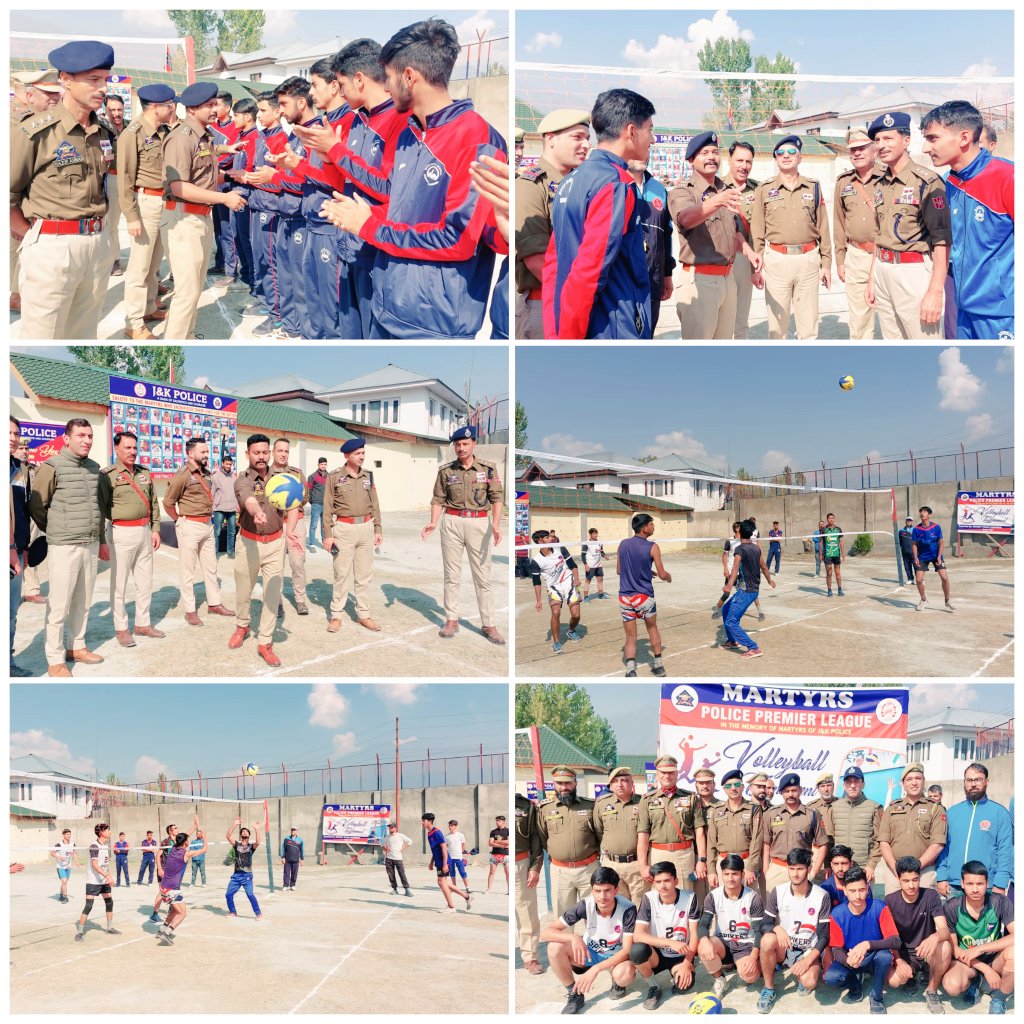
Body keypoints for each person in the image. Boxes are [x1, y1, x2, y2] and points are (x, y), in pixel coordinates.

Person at [320, 19, 507, 340]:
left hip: (433, 320)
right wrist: (358, 215)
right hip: (389, 299)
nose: (386, 87)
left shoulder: (476, 139)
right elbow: (398, 205)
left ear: (410, 77)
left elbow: (457, 239)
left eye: (389, 78)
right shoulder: (410, 134)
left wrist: (368, 225)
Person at [11, 41, 117, 339]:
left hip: (97, 244)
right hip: (53, 248)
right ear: (66, 80)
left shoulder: (103, 133)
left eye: (106, 79)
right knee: (42, 340)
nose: (103, 88)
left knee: (84, 337)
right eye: (93, 80)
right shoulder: (36, 132)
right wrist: (31, 234)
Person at [544, 88, 655, 339]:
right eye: (650, 129)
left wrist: (556, 331)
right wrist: (568, 338)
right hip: (610, 324)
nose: (653, 138)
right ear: (631, 131)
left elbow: (554, 264)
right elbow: (589, 270)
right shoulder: (615, 183)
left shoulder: (571, 180)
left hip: (574, 321)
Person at [922, 101, 1015, 341]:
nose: (925, 148)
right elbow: (946, 242)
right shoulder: (949, 183)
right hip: (962, 308)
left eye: (933, 138)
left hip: (1003, 314)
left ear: (964, 137)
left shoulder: (1008, 178)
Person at [162, 81, 247, 339]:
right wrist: (224, 199)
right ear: (192, 108)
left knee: (194, 289)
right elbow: (180, 187)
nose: (215, 109)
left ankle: (186, 336)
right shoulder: (181, 138)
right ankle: (175, 345)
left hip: (199, 217)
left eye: (216, 104)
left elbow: (206, 177)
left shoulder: (204, 137)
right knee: (186, 293)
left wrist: (232, 176)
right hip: (183, 217)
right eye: (210, 105)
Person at [28, 418, 105, 676]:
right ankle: (55, 659)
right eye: (81, 435)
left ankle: (77, 646)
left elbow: (100, 506)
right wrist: (57, 530)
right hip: (64, 546)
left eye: (90, 435)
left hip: (90, 544)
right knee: (59, 605)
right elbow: (38, 506)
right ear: (67, 438)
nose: (87, 440)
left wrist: (100, 539)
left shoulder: (95, 469)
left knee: (83, 602)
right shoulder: (52, 466)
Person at [864, 111, 950, 339]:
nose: (881, 145)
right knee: (893, 343)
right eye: (878, 140)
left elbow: (942, 240)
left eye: (888, 139)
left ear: (906, 140)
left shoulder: (927, 182)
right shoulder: (880, 184)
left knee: (924, 344)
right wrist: (873, 278)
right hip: (883, 271)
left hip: (912, 273)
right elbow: (879, 233)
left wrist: (935, 291)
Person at [669, 130, 762, 338]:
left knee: (723, 348)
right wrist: (717, 201)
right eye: (704, 153)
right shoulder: (683, 192)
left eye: (714, 152)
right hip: (700, 280)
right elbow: (686, 218)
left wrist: (748, 251)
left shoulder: (724, 190)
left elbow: (735, 230)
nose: (711, 157)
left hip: (727, 280)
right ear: (691, 160)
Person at [422, 425, 504, 644]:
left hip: (479, 523)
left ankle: (489, 624)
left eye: (465, 444)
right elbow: (438, 499)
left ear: (474, 444)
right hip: (452, 522)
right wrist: (433, 522)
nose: (461, 448)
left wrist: (496, 525)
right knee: (451, 575)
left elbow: (497, 498)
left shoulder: (488, 469)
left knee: (483, 577)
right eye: (457, 444)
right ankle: (451, 619)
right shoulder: (446, 470)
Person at [514, 108, 590, 338]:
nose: (586, 145)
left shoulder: (580, 185)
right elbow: (538, 261)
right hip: (545, 301)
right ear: (551, 139)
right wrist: (578, 296)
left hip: (577, 300)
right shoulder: (531, 185)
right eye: (577, 137)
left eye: (588, 138)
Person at [230, 433, 303, 667]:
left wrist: (290, 530)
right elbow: (248, 499)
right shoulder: (242, 479)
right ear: (247, 454)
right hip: (249, 543)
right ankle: (242, 625)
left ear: (269, 453)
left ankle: (265, 642)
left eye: (264, 452)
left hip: (275, 543)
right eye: (256, 453)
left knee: (271, 595)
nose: (261, 457)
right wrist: (255, 512)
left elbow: (293, 504)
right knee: (243, 593)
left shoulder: (282, 478)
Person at [750, 135, 832, 339]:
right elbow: (757, 230)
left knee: (809, 327)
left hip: (808, 261)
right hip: (777, 261)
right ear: (775, 159)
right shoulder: (764, 189)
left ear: (800, 157)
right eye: (780, 153)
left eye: (792, 152)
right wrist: (756, 267)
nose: (786, 156)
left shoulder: (813, 186)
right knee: (777, 327)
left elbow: (823, 226)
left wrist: (827, 265)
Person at [117, 83, 176, 340]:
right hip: (145, 204)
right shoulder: (133, 133)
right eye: (168, 105)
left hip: (163, 203)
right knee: (139, 268)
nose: (172, 108)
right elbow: (125, 179)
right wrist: (131, 216)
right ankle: (133, 323)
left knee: (153, 263)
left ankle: (150, 307)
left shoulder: (162, 130)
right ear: (155, 107)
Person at [540, 865, 637, 1015]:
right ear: (592, 890)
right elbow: (546, 933)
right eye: (597, 891)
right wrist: (572, 937)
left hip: (615, 956)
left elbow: (626, 950)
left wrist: (595, 970)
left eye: (607, 890)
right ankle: (574, 994)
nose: (602, 896)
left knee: (625, 974)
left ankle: (617, 983)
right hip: (590, 952)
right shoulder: (586, 905)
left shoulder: (628, 909)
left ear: (616, 890)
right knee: (554, 947)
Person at [98, 430, 165, 647]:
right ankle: (121, 628)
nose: (132, 452)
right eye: (127, 447)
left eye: (135, 448)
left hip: (144, 531)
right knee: (119, 584)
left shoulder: (144, 473)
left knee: (145, 582)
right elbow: (100, 509)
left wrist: (155, 529)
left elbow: (154, 502)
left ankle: (143, 624)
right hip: (120, 533)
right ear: (116, 449)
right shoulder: (107, 475)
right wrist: (101, 540)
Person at [162, 437, 234, 626]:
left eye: (206, 451)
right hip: (190, 526)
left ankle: (214, 603)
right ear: (190, 453)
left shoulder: (207, 474)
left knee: (211, 568)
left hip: (207, 526)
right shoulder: (183, 474)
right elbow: (168, 503)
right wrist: (179, 521)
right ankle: (190, 610)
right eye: (202, 452)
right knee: (188, 570)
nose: (206, 454)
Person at [758, 848, 831, 1012]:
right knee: (767, 939)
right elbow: (764, 924)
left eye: (800, 869)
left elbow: (824, 936)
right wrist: (777, 928)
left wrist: (807, 961)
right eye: (792, 869)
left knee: (809, 981)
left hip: (807, 950)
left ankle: (802, 970)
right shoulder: (779, 891)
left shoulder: (821, 895)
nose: (795, 874)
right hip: (785, 948)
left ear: (809, 868)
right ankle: (768, 989)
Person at [323, 438, 382, 634]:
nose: (361, 457)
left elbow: (375, 504)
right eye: (357, 453)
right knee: (341, 574)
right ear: (347, 456)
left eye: (363, 453)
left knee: (364, 575)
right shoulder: (334, 477)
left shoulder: (369, 476)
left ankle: (363, 614)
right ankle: (336, 615)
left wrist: (378, 529)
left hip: (365, 528)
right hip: (344, 530)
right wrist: (328, 535)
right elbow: (327, 508)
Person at [824, 866, 900, 1013]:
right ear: (844, 891)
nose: (858, 896)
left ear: (867, 888)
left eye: (861, 890)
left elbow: (895, 941)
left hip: (874, 957)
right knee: (831, 978)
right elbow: (836, 948)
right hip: (851, 957)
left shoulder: (879, 907)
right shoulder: (837, 914)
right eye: (852, 891)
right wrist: (848, 961)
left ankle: (877, 997)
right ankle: (855, 982)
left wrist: (867, 944)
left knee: (884, 956)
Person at [942, 860, 1015, 1013]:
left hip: (995, 959)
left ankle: (999, 998)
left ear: (987, 883)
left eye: (980, 884)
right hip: (967, 961)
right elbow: (954, 949)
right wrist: (984, 969)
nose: (975, 889)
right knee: (951, 985)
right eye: (969, 884)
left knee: (1016, 953)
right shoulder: (951, 907)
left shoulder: (999, 901)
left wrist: (981, 948)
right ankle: (977, 980)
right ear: (962, 884)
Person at [884, 855, 953, 1013]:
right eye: (906, 881)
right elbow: (888, 937)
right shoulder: (889, 901)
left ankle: (932, 990)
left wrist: (934, 937)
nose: (911, 885)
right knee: (894, 982)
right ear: (898, 879)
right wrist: (899, 961)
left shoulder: (931, 895)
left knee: (945, 946)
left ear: (920, 878)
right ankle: (914, 974)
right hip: (904, 952)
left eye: (915, 880)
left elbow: (944, 929)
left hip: (926, 949)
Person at [833, 128, 883, 339]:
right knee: (859, 323)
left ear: (875, 151)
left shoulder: (888, 178)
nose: (857, 153)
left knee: (895, 318)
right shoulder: (843, 182)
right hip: (857, 256)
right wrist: (841, 259)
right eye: (853, 150)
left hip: (886, 257)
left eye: (862, 148)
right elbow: (839, 222)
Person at [631, 860, 700, 1009]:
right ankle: (654, 987)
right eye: (658, 882)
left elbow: (694, 935)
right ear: (654, 883)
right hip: (658, 954)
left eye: (667, 880)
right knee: (637, 950)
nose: (663, 886)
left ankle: (677, 972)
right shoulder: (649, 898)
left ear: (676, 881)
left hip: (680, 956)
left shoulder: (690, 898)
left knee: (683, 986)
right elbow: (637, 935)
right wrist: (669, 942)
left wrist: (687, 964)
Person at [937, 763, 1013, 898]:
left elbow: (1005, 851)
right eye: (969, 780)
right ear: (964, 782)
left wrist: (1000, 883)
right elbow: (943, 848)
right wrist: (941, 877)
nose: (973, 784)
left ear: (986, 782)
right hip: (955, 886)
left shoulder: (999, 813)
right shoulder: (952, 812)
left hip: (987, 887)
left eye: (978, 779)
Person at [637, 754, 708, 895]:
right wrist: (643, 865)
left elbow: (699, 832)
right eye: (663, 772)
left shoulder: (691, 798)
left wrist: (701, 860)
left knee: (685, 894)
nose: (667, 776)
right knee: (660, 895)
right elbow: (643, 836)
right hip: (658, 853)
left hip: (684, 854)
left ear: (676, 774)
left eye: (670, 772)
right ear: (657, 774)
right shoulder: (647, 800)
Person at [698, 854, 765, 1002]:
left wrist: (754, 957)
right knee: (703, 945)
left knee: (750, 976)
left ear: (742, 874)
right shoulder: (713, 895)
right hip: (723, 943)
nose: (730, 878)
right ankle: (720, 980)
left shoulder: (753, 897)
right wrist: (704, 940)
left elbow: (759, 930)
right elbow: (703, 924)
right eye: (726, 874)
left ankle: (746, 965)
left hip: (745, 945)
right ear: (722, 874)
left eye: (734, 874)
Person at [536, 765, 599, 916]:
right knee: (562, 916)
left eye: (567, 783)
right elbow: (543, 837)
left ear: (575, 783)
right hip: (560, 871)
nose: (564, 787)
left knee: (593, 913)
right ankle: (565, 941)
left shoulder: (591, 806)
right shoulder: (544, 809)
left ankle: (592, 940)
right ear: (554, 785)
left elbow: (600, 833)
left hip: (588, 869)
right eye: (560, 783)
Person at [877, 762, 947, 895]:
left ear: (923, 781)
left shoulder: (935, 808)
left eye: (918, 778)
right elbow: (884, 842)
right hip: (894, 873)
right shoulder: (892, 808)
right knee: (893, 912)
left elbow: (937, 845)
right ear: (903, 784)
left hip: (923, 872)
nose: (914, 783)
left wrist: (916, 867)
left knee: (924, 912)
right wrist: (895, 868)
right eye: (909, 779)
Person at [617, 513, 671, 677]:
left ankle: (631, 670)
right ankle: (658, 666)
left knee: (630, 636)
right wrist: (667, 576)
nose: (653, 527)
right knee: (652, 628)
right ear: (644, 527)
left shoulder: (623, 544)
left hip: (625, 597)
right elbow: (662, 574)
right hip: (644, 597)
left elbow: (620, 570)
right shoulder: (652, 547)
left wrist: (648, 571)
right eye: (651, 524)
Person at [629, 155, 675, 332]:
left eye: (645, 150)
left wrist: (667, 274)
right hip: (625, 284)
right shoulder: (615, 183)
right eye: (636, 150)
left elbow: (666, 234)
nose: (641, 155)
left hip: (653, 281)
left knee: (648, 334)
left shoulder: (659, 189)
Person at [762, 773, 828, 891]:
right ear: (781, 792)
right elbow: (766, 844)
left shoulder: (812, 814)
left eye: (794, 790)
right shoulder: (771, 814)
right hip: (777, 870)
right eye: (786, 791)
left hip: (802, 870)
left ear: (800, 790)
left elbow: (823, 844)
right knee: (774, 908)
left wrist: (813, 872)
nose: (790, 794)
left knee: (801, 907)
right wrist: (767, 871)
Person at [722, 141, 761, 338]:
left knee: (741, 317)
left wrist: (757, 268)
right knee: (721, 316)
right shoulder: (716, 187)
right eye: (739, 160)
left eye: (748, 161)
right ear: (729, 161)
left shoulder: (758, 190)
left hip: (746, 259)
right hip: (722, 259)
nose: (744, 166)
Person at [721, 518, 776, 659]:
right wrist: (770, 580)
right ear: (751, 533)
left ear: (740, 532)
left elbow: (734, 570)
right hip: (751, 590)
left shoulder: (740, 549)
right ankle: (732, 641)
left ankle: (753, 647)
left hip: (746, 591)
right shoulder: (756, 548)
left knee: (731, 622)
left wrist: (728, 585)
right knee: (725, 609)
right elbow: (764, 567)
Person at [594, 765, 649, 905]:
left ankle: (639, 928)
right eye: (615, 781)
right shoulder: (601, 804)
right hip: (612, 864)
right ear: (611, 785)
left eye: (624, 780)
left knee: (641, 905)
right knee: (618, 906)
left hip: (637, 865)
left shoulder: (643, 802)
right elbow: (598, 830)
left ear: (632, 784)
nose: (619, 784)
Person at [270, 438, 309, 616]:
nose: (283, 454)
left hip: (296, 523)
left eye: (286, 451)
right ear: (273, 452)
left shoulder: (297, 474)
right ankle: (276, 601)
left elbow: (304, 498)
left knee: (297, 563)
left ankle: (300, 600)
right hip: (276, 524)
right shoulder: (265, 474)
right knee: (275, 566)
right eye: (280, 451)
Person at [706, 769, 763, 892]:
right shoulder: (716, 811)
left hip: (746, 862)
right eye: (729, 786)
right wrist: (711, 871)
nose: (733, 788)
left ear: (743, 787)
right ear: (724, 789)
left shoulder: (753, 809)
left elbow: (756, 840)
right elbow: (711, 843)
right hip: (723, 863)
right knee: (722, 903)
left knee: (748, 901)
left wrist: (751, 868)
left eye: (737, 785)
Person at [527, 528, 582, 653]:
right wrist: (539, 600)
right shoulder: (536, 560)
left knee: (576, 615)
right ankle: (556, 642)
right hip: (553, 587)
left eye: (550, 537)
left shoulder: (560, 548)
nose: (551, 538)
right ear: (540, 541)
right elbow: (536, 581)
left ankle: (571, 630)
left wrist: (577, 580)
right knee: (556, 612)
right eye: (547, 537)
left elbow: (573, 565)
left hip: (568, 582)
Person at [154, 819, 206, 944]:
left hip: (164, 888)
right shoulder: (186, 854)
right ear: (186, 842)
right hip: (173, 889)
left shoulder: (173, 847)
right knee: (182, 913)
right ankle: (167, 933)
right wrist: (204, 837)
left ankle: (162, 930)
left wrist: (195, 826)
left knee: (174, 910)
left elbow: (184, 836)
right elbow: (204, 849)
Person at [829, 766, 882, 884]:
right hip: (839, 871)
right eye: (849, 782)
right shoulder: (834, 807)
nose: (852, 785)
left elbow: (879, 840)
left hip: (863, 869)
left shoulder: (874, 807)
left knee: (863, 902)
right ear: (844, 785)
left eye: (856, 781)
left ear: (863, 784)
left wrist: (871, 865)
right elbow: (829, 839)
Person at [209, 91, 241, 284]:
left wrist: (214, 166)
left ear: (227, 107)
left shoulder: (234, 128)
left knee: (229, 229)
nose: (214, 109)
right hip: (214, 184)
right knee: (218, 227)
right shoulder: (212, 127)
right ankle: (220, 262)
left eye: (217, 105)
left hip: (227, 183)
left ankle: (231, 270)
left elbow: (229, 155)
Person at [9, 418, 31, 676]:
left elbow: (22, 510)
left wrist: (23, 547)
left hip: (16, 551)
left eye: (16, 433)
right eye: (8, 433)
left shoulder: (18, 469)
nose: (13, 438)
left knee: (11, 611)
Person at [74, 822, 119, 942]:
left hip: (103, 880)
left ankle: (109, 928)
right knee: (89, 906)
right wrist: (107, 876)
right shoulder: (94, 845)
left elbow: (104, 863)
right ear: (101, 832)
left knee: (109, 902)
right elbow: (94, 865)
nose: (110, 831)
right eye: (107, 830)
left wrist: (108, 876)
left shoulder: (106, 846)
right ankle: (79, 933)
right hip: (93, 880)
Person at [515, 792, 545, 974]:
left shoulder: (526, 806)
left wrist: (535, 866)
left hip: (520, 862)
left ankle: (531, 956)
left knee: (526, 911)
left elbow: (535, 838)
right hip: (496, 859)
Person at [713, 520, 765, 622]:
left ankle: (760, 612)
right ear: (736, 529)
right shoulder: (730, 541)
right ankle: (717, 610)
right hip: (732, 570)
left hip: (743, 571)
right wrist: (725, 569)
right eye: (740, 527)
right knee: (726, 593)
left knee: (750, 590)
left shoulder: (745, 540)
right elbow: (724, 556)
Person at [422, 812, 471, 913]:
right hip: (438, 861)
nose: (422, 822)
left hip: (444, 861)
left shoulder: (437, 832)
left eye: (423, 821)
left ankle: (451, 907)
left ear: (429, 821)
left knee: (441, 882)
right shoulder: (429, 833)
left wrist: (445, 864)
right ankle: (466, 896)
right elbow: (434, 849)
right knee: (444, 883)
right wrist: (431, 862)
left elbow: (444, 848)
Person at [912, 505, 953, 612]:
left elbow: (941, 543)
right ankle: (923, 599)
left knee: (944, 578)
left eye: (924, 512)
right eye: (921, 511)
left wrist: (939, 556)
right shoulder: (916, 529)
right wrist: (915, 557)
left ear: (929, 514)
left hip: (936, 556)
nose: (922, 513)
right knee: (918, 579)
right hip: (922, 557)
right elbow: (914, 544)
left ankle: (947, 600)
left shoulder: (936, 527)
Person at [225, 817, 262, 919]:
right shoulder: (236, 845)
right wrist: (234, 824)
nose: (244, 832)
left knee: (250, 895)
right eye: (243, 831)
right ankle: (233, 912)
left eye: (246, 831)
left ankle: (258, 913)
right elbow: (228, 836)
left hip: (247, 875)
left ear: (249, 835)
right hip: (236, 875)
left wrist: (257, 829)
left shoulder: (251, 847)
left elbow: (258, 842)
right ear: (241, 835)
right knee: (228, 895)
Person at [807, 772, 837, 881]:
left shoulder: (843, 804)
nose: (826, 789)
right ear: (818, 788)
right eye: (822, 786)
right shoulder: (810, 807)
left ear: (833, 786)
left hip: (839, 853)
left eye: (828, 785)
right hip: (818, 854)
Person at [210, 453, 238, 559]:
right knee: (217, 531)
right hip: (219, 508)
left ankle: (230, 552)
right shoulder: (215, 477)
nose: (228, 466)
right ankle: (215, 553)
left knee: (232, 532)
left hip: (232, 508)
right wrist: (212, 507)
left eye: (230, 464)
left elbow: (236, 492)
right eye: (227, 464)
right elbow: (212, 493)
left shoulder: (234, 477)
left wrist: (238, 504)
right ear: (222, 464)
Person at [382, 821, 413, 897]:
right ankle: (395, 889)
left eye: (391, 827)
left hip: (398, 858)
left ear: (395, 828)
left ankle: (407, 890)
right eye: (389, 828)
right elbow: (381, 844)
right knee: (391, 875)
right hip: (389, 858)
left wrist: (402, 848)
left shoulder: (400, 836)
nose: (390, 829)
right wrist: (385, 850)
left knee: (402, 874)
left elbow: (410, 841)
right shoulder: (387, 837)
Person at [51, 827, 81, 903]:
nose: (69, 835)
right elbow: (52, 853)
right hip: (60, 866)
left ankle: (61, 895)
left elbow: (74, 853)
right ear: (64, 835)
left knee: (64, 882)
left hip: (68, 866)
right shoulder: (59, 844)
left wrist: (77, 862)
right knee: (64, 881)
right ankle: (65, 897)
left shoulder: (72, 843)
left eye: (70, 834)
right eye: (67, 834)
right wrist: (59, 857)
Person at [580, 527, 609, 601]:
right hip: (590, 565)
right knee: (588, 580)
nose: (596, 535)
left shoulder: (599, 542)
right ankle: (586, 597)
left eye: (596, 533)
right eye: (594, 533)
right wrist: (586, 565)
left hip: (598, 565)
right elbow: (583, 555)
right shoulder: (586, 543)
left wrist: (604, 555)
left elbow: (601, 551)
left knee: (600, 580)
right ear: (590, 534)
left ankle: (600, 595)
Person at [306, 457, 328, 551]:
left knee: (324, 525)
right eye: (321, 464)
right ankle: (312, 544)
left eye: (325, 464)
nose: (323, 466)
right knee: (313, 525)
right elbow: (309, 490)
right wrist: (312, 501)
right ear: (318, 465)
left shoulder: (329, 476)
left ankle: (324, 543)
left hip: (326, 505)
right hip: (316, 504)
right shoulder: (312, 476)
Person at [821, 511, 845, 598]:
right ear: (827, 520)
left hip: (836, 554)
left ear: (834, 519)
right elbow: (821, 542)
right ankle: (829, 590)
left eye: (832, 518)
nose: (831, 520)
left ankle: (839, 589)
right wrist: (820, 554)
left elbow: (841, 542)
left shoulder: (838, 529)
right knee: (829, 573)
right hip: (828, 554)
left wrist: (843, 554)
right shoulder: (824, 530)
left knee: (838, 572)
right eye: (829, 518)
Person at [444, 819, 469, 894]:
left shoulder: (460, 835)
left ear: (455, 826)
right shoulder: (447, 836)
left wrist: (460, 853)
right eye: (449, 825)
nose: (450, 827)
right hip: (450, 857)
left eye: (451, 825)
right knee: (452, 872)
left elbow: (463, 845)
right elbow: (446, 847)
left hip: (458, 857)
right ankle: (454, 887)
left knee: (462, 872)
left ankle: (467, 887)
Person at [487, 814, 510, 893]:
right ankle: (489, 889)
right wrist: (502, 845)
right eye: (496, 821)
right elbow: (490, 843)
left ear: (503, 822)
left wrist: (496, 841)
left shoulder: (508, 831)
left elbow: (509, 842)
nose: (497, 822)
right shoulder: (493, 832)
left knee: (508, 873)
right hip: (495, 855)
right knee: (491, 872)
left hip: (505, 855)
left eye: (499, 821)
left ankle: (509, 890)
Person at [280, 826, 304, 890]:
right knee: (286, 873)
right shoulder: (286, 839)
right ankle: (285, 885)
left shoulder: (300, 840)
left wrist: (302, 859)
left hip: (296, 860)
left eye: (294, 830)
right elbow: (283, 848)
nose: (293, 831)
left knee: (294, 873)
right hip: (287, 860)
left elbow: (302, 850)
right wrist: (283, 857)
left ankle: (292, 885)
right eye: (292, 830)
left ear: (296, 831)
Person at [898, 516, 916, 584]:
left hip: (914, 552)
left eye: (910, 520)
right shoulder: (901, 531)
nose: (909, 521)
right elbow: (899, 542)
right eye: (907, 520)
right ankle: (910, 579)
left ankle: (919, 579)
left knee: (916, 566)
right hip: (905, 552)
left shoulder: (915, 530)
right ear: (905, 521)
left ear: (912, 522)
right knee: (907, 566)